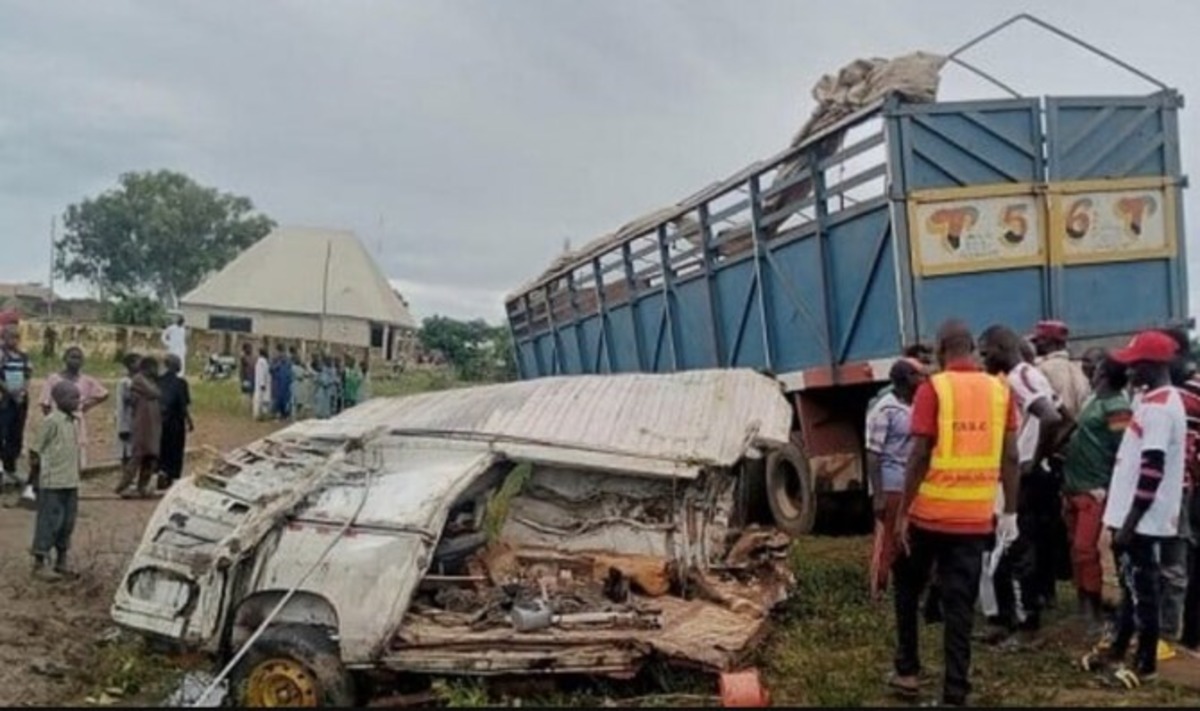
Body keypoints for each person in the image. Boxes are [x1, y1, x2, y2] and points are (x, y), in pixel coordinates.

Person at [889, 319, 1020, 707]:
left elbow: (918, 455)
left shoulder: (934, 388)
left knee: (907, 589)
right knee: (960, 605)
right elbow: (1010, 455)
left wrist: (902, 514)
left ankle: (908, 671)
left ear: (942, 347)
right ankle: (955, 692)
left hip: (929, 516)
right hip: (974, 518)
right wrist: (1010, 512)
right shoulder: (1000, 391)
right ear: (971, 349)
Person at [1082, 330, 1187, 687]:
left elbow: (1152, 470)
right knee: (1130, 586)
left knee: (1144, 592)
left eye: (1134, 365)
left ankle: (1144, 665)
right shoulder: (1152, 398)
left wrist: (1130, 522)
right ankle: (1119, 648)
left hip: (1142, 519)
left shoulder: (1159, 408)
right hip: (1132, 515)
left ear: (1152, 365)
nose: (1128, 371)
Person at [979, 325, 1066, 645]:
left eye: (986, 353)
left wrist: (1034, 458)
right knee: (1008, 548)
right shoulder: (1029, 375)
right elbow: (1066, 416)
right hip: (1024, 475)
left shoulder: (1019, 378)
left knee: (1015, 549)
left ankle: (1028, 627)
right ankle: (1006, 621)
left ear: (1003, 346)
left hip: (1022, 478)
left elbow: (1052, 418)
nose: (983, 359)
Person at [1061, 354, 1132, 631]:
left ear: (1104, 373)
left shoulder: (1117, 408)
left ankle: (1094, 609)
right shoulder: (1095, 400)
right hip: (1075, 486)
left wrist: (1112, 489)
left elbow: (1123, 449)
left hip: (1096, 489)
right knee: (1076, 549)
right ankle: (1083, 605)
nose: (1090, 370)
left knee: (1086, 549)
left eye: (1096, 368)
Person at [866, 358, 924, 600]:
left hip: (912, 482)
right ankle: (879, 589)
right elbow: (872, 454)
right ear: (904, 379)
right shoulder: (884, 409)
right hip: (891, 484)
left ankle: (910, 588)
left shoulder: (917, 406)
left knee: (911, 536)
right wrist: (878, 495)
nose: (922, 379)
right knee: (888, 538)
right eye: (916, 375)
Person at [1159, 328, 1200, 651]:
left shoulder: (1186, 395)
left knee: (1183, 561)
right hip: (1189, 486)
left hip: (1189, 489)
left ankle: (1185, 634)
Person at [28, 379, 82, 580]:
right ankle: (39, 562)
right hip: (52, 482)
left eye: (78, 396)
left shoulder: (73, 422)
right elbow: (36, 450)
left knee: (67, 523)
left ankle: (61, 561)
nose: (77, 400)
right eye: (72, 397)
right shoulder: (51, 421)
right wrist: (34, 478)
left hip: (70, 481)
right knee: (49, 521)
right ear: (58, 399)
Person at [36, 347, 109, 475]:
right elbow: (45, 402)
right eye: (72, 357)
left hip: (76, 422)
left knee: (76, 451)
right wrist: (52, 420)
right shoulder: (54, 379)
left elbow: (104, 394)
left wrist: (87, 405)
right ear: (64, 359)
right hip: (57, 420)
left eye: (79, 358)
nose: (75, 361)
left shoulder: (86, 380)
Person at [118, 357, 162, 499]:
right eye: (155, 368)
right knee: (138, 456)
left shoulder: (151, 381)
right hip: (142, 425)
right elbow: (155, 393)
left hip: (153, 425)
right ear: (148, 368)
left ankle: (142, 486)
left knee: (150, 456)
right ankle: (123, 486)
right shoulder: (139, 379)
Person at [1031, 320, 1091, 418]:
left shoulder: (1040, 369)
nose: (1037, 345)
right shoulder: (1077, 368)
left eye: (1040, 340)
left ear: (1053, 343)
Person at [0, 324, 32, 491]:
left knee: (16, 434)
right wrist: (9, 391)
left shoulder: (23, 355)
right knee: (2, 433)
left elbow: (28, 375)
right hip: (4, 399)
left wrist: (22, 391)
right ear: (3, 337)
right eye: (10, 336)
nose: (14, 340)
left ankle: (11, 469)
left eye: (16, 336)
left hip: (20, 399)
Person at [158, 354, 193, 490]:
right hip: (175, 421)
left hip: (159, 420)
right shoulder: (181, 383)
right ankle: (170, 475)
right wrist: (189, 421)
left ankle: (161, 470)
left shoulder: (158, 380)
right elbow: (183, 405)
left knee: (162, 447)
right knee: (175, 449)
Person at [113, 352, 141, 494]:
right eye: (138, 361)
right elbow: (121, 406)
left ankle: (131, 480)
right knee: (126, 453)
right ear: (130, 365)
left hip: (137, 423)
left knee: (133, 452)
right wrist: (122, 426)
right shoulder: (125, 383)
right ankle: (126, 481)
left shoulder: (139, 381)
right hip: (127, 422)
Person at [269, 344, 293, 420]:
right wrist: (277, 365)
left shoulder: (287, 360)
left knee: (285, 398)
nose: (281, 354)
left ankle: (284, 414)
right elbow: (271, 369)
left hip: (284, 382)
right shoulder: (275, 359)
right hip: (277, 381)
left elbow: (290, 370)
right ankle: (277, 413)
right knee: (277, 398)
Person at [291, 349, 313, 420]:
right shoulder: (293, 368)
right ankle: (295, 416)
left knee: (300, 402)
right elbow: (301, 375)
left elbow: (307, 374)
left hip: (300, 386)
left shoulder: (300, 368)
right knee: (295, 402)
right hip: (296, 385)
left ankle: (299, 415)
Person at [314, 355, 336, 420]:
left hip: (329, 387)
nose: (329, 362)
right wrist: (319, 381)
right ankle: (319, 414)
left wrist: (329, 382)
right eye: (328, 361)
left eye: (330, 361)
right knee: (320, 401)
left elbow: (333, 379)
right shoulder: (322, 369)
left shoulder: (333, 370)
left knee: (328, 402)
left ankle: (327, 414)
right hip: (321, 387)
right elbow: (317, 377)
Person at [253, 348, 271, 421]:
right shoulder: (261, 362)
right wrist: (262, 383)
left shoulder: (262, 362)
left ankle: (262, 415)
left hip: (262, 384)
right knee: (260, 399)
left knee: (263, 400)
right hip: (261, 384)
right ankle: (258, 415)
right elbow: (261, 373)